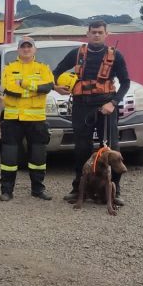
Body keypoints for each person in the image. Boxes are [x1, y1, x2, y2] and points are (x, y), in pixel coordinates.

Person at [53, 20, 130, 205]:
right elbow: (55, 72)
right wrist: (56, 87)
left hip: (106, 107)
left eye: (100, 32)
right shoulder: (76, 53)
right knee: (81, 149)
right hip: (82, 107)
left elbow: (125, 82)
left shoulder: (116, 56)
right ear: (87, 34)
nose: (96, 35)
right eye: (93, 32)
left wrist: (113, 103)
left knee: (111, 149)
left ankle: (115, 190)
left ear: (106, 34)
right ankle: (78, 188)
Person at [0, 36, 55, 202]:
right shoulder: (9, 68)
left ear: (34, 49)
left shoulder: (43, 68)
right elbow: (10, 89)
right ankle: (6, 191)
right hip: (13, 119)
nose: (26, 49)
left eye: (29, 46)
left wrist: (24, 84)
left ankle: (38, 189)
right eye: (23, 46)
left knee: (38, 157)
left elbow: (48, 87)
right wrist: (35, 90)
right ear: (18, 49)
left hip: (36, 119)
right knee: (9, 158)